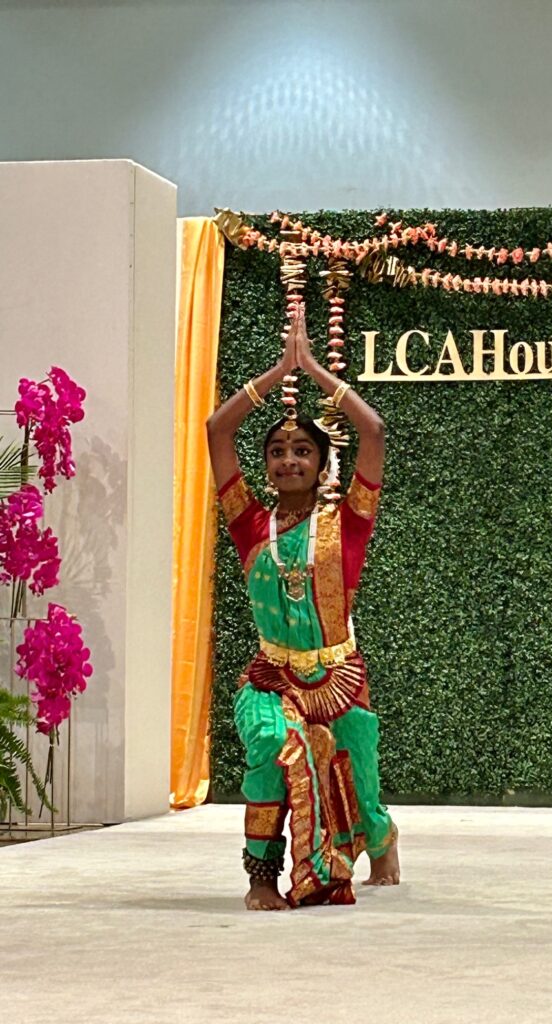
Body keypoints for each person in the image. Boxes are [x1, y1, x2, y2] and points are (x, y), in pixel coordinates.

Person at [206, 307, 400, 910]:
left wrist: (314, 371)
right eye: (277, 451)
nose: (288, 460)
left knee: (358, 784)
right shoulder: (247, 523)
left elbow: (373, 432)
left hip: (338, 675)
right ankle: (262, 876)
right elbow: (216, 429)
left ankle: (382, 838)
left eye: (302, 452)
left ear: (321, 467)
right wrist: (274, 374)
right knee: (271, 751)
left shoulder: (347, 524)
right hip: (271, 677)